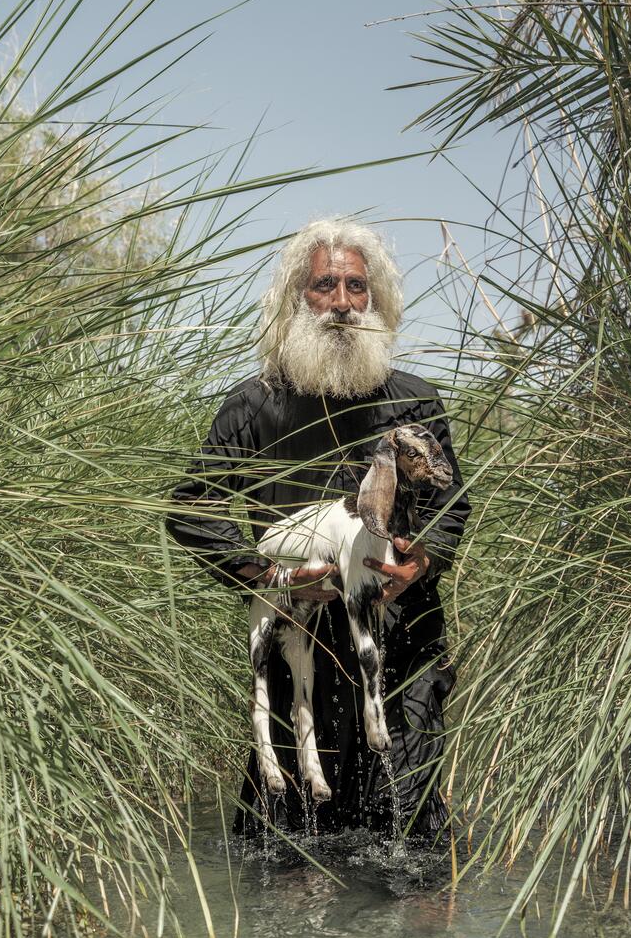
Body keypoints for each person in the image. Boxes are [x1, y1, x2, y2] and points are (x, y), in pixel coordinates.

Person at [167, 219, 469, 841]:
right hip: (296, 651)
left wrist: (423, 561)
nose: (340, 302)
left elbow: (452, 503)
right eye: (324, 285)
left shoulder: (413, 400)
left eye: (356, 287)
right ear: (295, 299)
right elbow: (191, 505)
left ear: (375, 300)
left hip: (400, 651)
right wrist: (266, 573)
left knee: (415, 851)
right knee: (286, 857)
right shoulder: (254, 406)